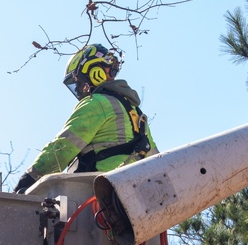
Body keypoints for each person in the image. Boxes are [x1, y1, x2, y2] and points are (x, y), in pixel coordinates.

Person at [13, 44, 155, 193]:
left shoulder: (97, 103)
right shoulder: (138, 116)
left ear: (95, 72)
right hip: (136, 196)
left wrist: (28, 179)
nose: (81, 89)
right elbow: (157, 162)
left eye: (80, 81)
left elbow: (63, 147)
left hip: (100, 195)